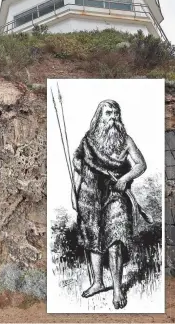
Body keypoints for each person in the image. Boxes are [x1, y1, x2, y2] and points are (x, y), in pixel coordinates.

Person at [72, 99, 147, 309]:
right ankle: (97, 282)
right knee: (93, 238)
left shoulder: (125, 140)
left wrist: (124, 179)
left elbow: (141, 164)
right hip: (89, 195)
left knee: (115, 240)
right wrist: (73, 193)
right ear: (99, 117)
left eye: (115, 113)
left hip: (115, 194)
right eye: (108, 113)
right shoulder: (88, 140)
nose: (112, 117)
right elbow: (79, 168)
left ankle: (116, 288)